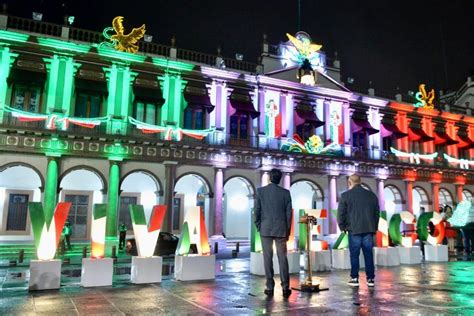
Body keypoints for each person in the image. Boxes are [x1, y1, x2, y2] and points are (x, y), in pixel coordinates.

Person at [254, 168, 292, 298]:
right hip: (281, 229)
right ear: (279, 179)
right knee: (282, 258)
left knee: (267, 258)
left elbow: (256, 211)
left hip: (265, 228)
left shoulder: (261, 192)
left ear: (269, 178)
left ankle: (269, 287)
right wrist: (287, 230)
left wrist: (259, 226)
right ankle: (286, 287)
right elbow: (289, 214)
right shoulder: (286, 193)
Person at [337, 174, 379, 288]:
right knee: (368, 254)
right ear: (360, 182)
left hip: (353, 229)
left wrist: (342, 228)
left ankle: (354, 278)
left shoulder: (345, 195)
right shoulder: (371, 195)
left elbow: (340, 214)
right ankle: (370, 279)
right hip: (368, 230)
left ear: (350, 182)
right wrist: (374, 228)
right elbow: (376, 214)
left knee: (354, 255)